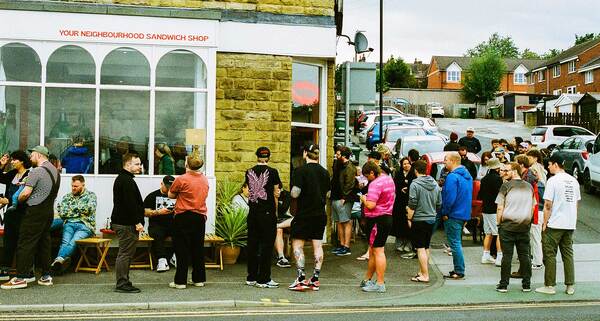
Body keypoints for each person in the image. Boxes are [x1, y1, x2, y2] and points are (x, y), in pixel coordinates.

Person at [2, 146, 60, 290]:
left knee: (25, 242)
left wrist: (18, 199)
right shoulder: (55, 171)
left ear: (39, 155)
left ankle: (21, 277)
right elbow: (44, 188)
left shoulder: (37, 171)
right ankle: (46, 276)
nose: (30, 158)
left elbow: (25, 194)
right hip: (48, 212)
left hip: (34, 211)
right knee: (44, 242)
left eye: (32, 155)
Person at [535, 154, 580, 295]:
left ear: (555, 164)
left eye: (549, 164)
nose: (547, 167)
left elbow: (548, 205)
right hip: (569, 222)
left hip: (555, 223)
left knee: (549, 254)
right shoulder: (574, 181)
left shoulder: (553, 181)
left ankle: (549, 286)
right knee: (568, 254)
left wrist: (545, 222)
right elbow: (576, 203)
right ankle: (570, 285)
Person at [288, 144, 330, 291]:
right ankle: (315, 279)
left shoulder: (300, 171)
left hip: (304, 214)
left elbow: (295, 193)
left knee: (298, 245)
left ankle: (300, 279)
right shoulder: (325, 172)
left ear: (305, 153)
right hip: (320, 214)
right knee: (317, 246)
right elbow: (328, 194)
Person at [167, 156, 209, 289]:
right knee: (198, 248)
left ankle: (180, 281)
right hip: (200, 216)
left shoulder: (181, 179)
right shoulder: (204, 179)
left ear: (187, 164)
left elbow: (171, 195)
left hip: (183, 216)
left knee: (181, 249)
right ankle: (199, 279)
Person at [495, 162, 537, 293]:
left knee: (507, 256)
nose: (505, 173)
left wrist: (498, 223)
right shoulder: (529, 186)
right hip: (524, 225)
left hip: (507, 226)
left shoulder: (506, 186)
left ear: (514, 171)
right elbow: (533, 206)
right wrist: (527, 220)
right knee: (524, 255)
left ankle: (503, 285)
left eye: (507, 170)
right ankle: (526, 284)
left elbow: (500, 207)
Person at [245, 147, 282, 289]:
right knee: (266, 246)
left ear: (256, 156)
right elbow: (276, 193)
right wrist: (276, 212)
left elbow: (249, 191)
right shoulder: (273, 172)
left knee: (253, 244)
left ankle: (251, 277)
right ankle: (264, 279)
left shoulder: (249, 171)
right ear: (269, 157)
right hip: (267, 213)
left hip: (253, 212)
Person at [110, 153, 145, 293]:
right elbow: (130, 204)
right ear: (127, 164)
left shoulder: (124, 179)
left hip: (123, 222)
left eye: (139, 164)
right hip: (126, 224)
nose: (139, 167)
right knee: (125, 253)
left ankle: (124, 281)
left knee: (125, 253)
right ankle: (122, 283)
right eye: (136, 164)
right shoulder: (126, 181)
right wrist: (137, 222)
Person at [359, 161, 395, 293]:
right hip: (387, 217)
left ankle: (380, 283)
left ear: (372, 173)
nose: (367, 179)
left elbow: (370, 205)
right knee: (375, 251)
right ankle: (368, 279)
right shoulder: (388, 179)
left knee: (378, 251)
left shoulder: (374, 184)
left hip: (376, 220)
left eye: (367, 176)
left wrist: (364, 199)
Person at [50, 175, 97, 272]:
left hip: (85, 225)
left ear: (83, 185)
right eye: (72, 186)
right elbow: (62, 212)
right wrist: (79, 210)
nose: (73, 188)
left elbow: (89, 209)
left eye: (76, 186)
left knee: (73, 242)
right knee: (65, 242)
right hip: (69, 223)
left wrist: (72, 209)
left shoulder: (91, 196)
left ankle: (58, 261)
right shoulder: (67, 197)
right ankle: (59, 262)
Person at [406, 160, 441, 283]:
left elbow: (412, 203)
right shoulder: (435, 184)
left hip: (419, 218)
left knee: (420, 248)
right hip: (431, 218)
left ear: (415, 170)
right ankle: (422, 271)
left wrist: (409, 217)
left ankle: (425, 275)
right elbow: (439, 203)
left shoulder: (415, 184)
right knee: (426, 246)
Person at [440, 152, 472, 280]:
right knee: (456, 242)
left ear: (453, 161)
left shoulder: (452, 177)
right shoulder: (467, 176)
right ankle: (459, 269)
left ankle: (459, 270)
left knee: (454, 243)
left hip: (453, 214)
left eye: (446, 160)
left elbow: (449, 197)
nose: (444, 162)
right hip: (463, 213)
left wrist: (445, 212)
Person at [0, 151, 31, 281]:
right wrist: (2, 165)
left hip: (23, 213)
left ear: (22, 161)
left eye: (14, 160)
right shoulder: (13, 174)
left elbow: (27, 195)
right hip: (11, 213)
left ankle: (24, 271)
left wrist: (8, 200)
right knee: (8, 241)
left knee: (21, 242)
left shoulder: (29, 174)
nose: (12, 162)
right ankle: (5, 270)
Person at [143, 175, 175, 273]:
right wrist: (157, 212)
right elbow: (144, 212)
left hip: (172, 223)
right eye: (167, 187)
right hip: (157, 224)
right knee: (157, 233)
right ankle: (162, 260)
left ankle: (175, 256)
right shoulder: (152, 196)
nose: (169, 189)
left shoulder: (178, 195)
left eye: (172, 187)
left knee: (182, 231)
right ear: (162, 184)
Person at [330, 146, 357, 257]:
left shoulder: (350, 168)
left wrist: (344, 197)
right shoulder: (338, 165)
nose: (336, 156)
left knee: (346, 222)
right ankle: (341, 245)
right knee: (339, 222)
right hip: (336, 197)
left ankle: (346, 246)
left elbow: (349, 184)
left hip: (344, 199)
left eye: (338, 154)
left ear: (344, 156)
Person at [478, 158, 503, 266]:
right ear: (497, 168)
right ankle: (499, 257)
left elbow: (480, 195)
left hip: (485, 209)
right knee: (498, 233)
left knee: (488, 233)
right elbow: (500, 195)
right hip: (494, 209)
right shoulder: (498, 179)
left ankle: (486, 255)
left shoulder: (484, 179)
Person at [526, 149, 547, 270]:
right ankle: (536, 258)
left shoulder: (538, 186)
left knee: (536, 237)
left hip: (537, 212)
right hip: (538, 211)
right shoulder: (540, 185)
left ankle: (538, 261)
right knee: (535, 237)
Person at [392, 157, 414, 255]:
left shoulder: (413, 174)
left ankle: (408, 244)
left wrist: (408, 188)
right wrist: (401, 188)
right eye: (404, 164)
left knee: (408, 224)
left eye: (407, 163)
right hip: (399, 202)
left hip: (409, 202)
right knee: (399, 223)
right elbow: (395, 185)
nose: (406, 165)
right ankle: (399, 244)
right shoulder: (398, 174)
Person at [274, 189, 292, 268]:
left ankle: (278, 225)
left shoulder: (286, 195)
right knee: (279, 230)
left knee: (296, 221)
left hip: (282, 219)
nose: (278, 192)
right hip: (271, 219)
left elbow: (283, 209)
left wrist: (276, 200)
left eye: (279, 190)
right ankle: (281, 257)